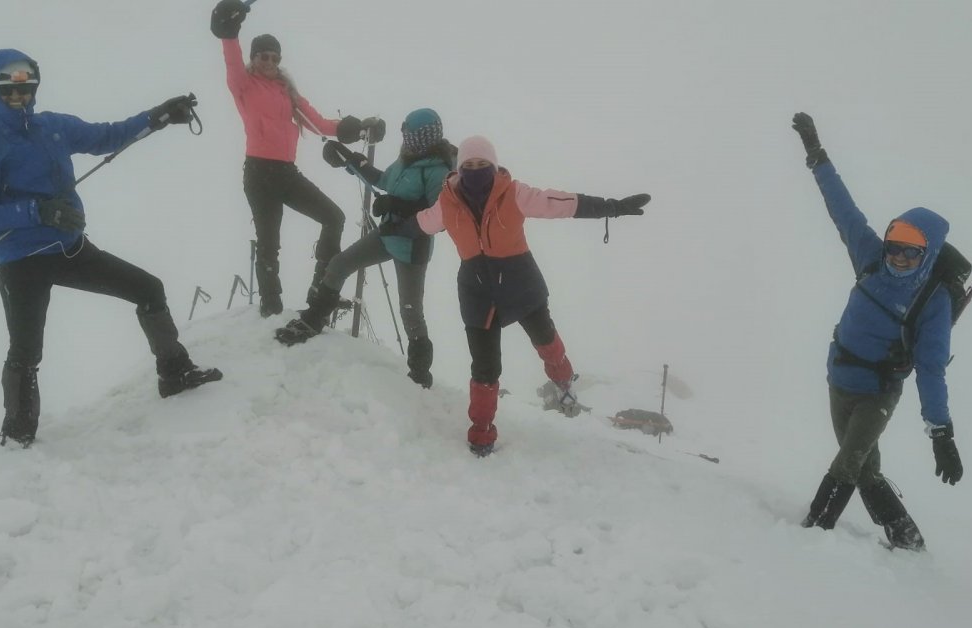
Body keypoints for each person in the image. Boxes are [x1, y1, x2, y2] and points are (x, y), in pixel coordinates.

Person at [0, 49, 223, 448]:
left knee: (148, 288)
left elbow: (108, 135)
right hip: (21, 262)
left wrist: (158, 117)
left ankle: (174, 373)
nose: (20, 96)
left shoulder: (54, 126)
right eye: (9, 90)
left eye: (26, 88)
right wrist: (37, 211)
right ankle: (17, 435)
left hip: (71, 249)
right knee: (26, 350)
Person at [380, 135, 650, 456]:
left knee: (546, 341)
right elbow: (423, 223)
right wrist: (393, 228)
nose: (476, 170)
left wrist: (612, 208)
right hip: (477, 292)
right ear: (459, 169)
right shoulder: (447, 203)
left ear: (494, 166)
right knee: (485, 367)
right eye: (469, 165)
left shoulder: (514, 193)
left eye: (482, 165)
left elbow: (562, 204)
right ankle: (481, 431)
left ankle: (563, 380)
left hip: (520, 283)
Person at [791, 112, 964, 551]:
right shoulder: (869, 257)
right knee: (865, 468)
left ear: (927, 255)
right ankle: (905, 537)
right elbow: (842, 208)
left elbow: (931, 369)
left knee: (848, 463)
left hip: (878, 392)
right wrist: (817, 155)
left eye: (911, 255)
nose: (898, 260)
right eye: (894, 249)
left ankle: (810, 534)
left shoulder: (933, 301)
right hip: (840, 378)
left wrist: (941, 433)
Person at [210, 0, 380, 317]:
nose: (270, 61)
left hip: (287, 173)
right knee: (269, 242)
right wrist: (229, 32)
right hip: (259, 173)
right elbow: (232, 61)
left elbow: (319, 123)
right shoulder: (243, 84)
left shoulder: (287, 91)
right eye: (263, 56)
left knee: (334, 217)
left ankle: (320, 288)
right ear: (254, 58)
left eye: (275, 57)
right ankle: (271, 308)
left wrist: (354, 129)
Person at [274, 108, 457, 388]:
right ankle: (313, 319)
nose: (405, 138)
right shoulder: (407, 160)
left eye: (409, 134)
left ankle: (420, 376)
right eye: (404, 134)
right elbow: (384, 180)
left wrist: (396, 206)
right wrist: (351, 161)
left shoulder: (439, 172)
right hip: (387, 236)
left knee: (411, 311)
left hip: (411, 249)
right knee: (339, 265)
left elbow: (440, 218)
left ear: (424, 137)